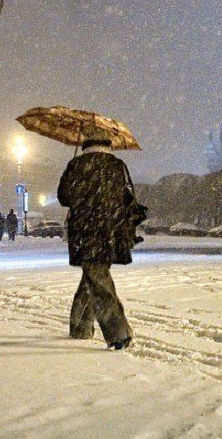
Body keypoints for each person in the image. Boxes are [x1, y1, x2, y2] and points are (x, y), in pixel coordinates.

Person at [57, 138, 144, 350]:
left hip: (85, 232)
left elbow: (63, 197)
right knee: (95, 273)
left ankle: (117, 334)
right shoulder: (118, 166)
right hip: (110, 230)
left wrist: (76, 178)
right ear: (108, 145)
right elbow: (128, 198)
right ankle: (80, 327)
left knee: (96, 275)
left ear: (86, 144)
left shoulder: (77, 164)